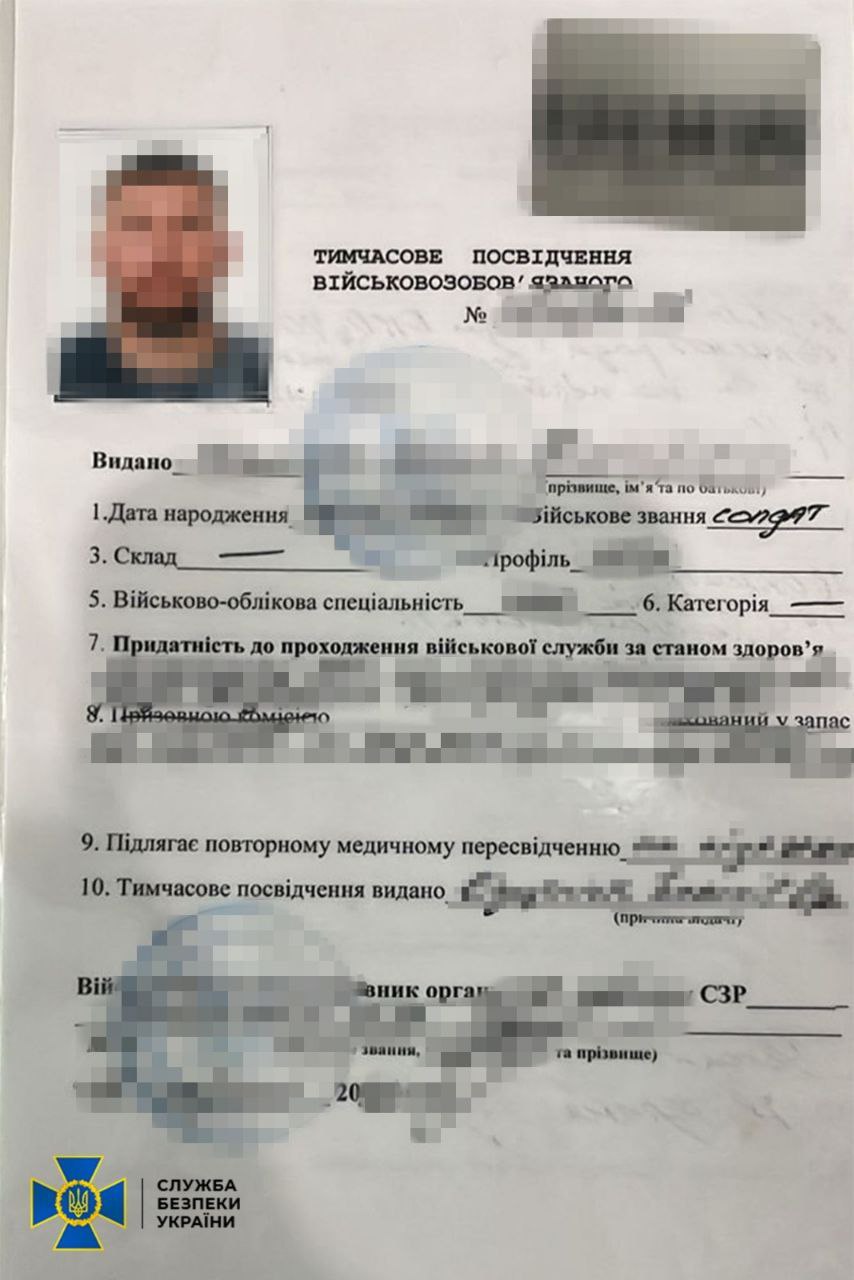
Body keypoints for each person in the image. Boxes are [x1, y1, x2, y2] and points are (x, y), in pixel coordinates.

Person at [55, 148, 269, 400]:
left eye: (187, 226)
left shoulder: (268, 375)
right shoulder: (57, 377)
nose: (163, 251)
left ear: (222, 250)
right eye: (139, 227)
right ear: (102, 251)